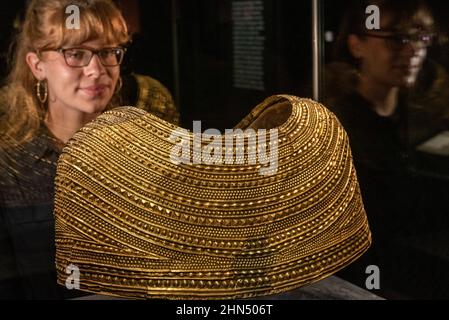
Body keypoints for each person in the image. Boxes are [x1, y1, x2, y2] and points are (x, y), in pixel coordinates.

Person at [0, 0, 178, 299]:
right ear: (37, 65)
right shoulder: (10, 161)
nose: (96, 70)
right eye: (76, 54)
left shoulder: (151, 130)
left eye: (108, 52)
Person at [324, 0, 449, 297]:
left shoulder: (422, 116)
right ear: (357, 45)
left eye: (420, 37)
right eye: (396, 38)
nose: (412, 50)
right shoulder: (336, 124)